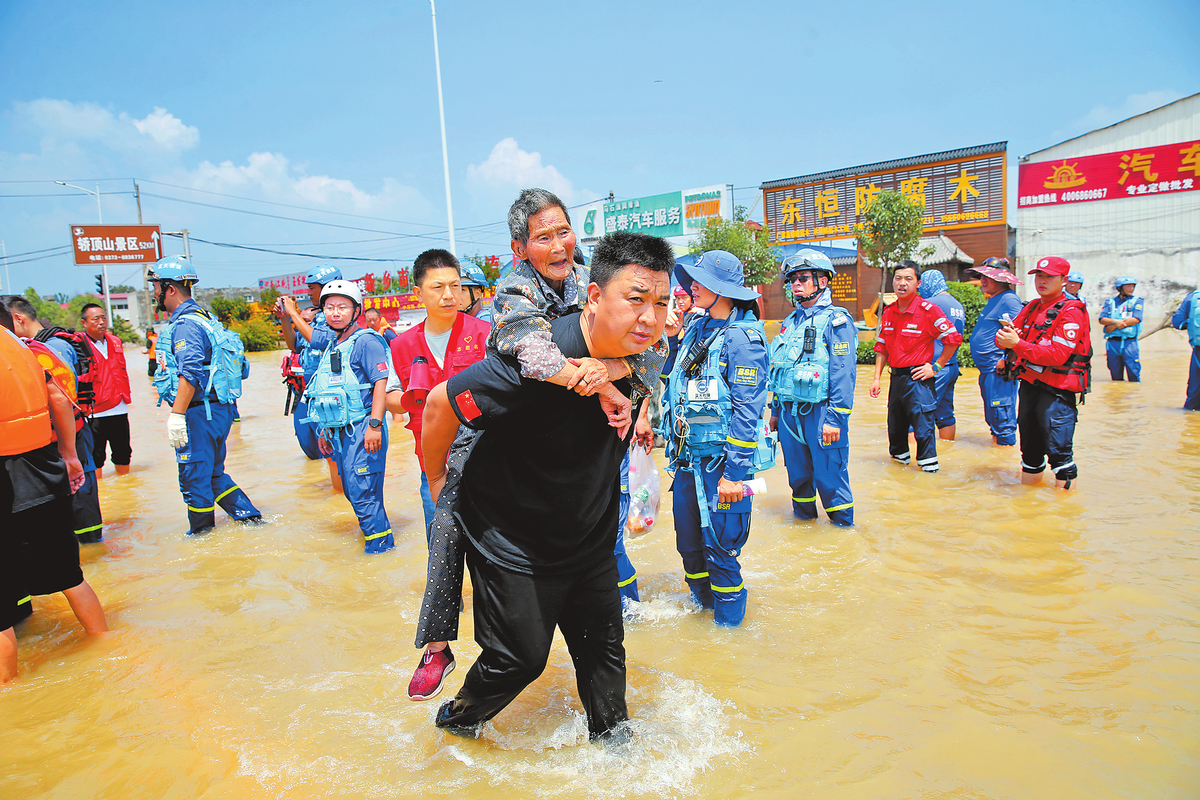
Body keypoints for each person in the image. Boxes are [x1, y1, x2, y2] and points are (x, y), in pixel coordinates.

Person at [407, 189, 663, 701]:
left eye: (563, 231)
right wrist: (601, 380)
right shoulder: (515, 293)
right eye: (542, 237)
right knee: (448, 522)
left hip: (574, 482)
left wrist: (614, 367)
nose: (557, 245)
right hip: (497, 426)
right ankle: (437, 642)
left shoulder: (598, 283)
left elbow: (652, 350)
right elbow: (537, 359)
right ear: (520, 248)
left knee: (603, 622)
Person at [662, 249, 771, 627]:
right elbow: (672, 381)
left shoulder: (742, 339)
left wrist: (734, 474)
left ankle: (729, 640)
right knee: (690, 551)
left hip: (722, 467)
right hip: (688, 463)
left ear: (722, 289)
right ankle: (703, 629)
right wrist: (674, 341)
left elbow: (747, 411)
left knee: (721, 553)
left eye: (700, 279)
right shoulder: (696, 326)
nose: (691, 286)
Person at [1, 311, 107, 682]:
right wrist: (70, 456)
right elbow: (60, 401)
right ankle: (107, 647)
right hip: (45, 472)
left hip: (6, 482)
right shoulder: (30, 351)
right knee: (70, 577)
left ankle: (11, 699)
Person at [149, 255, 262, 534]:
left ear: (170, 289)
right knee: (213, 475)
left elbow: (190, 372)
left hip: (199, 413)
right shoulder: (206, 318)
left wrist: (176, 416)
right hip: (219, 410)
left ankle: (202, 539)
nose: (154, 293)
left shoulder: (186, 325)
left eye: (156, 287)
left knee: (193, 479)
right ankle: (252, 521)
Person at [388, 249, 490, 534]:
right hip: (434, 468)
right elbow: (390, 397)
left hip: (487, 463)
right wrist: (413, 399)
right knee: (440, 553)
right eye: (438, 287)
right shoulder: (401, 345)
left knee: (493, 557)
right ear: (418, 292)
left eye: (455, 286)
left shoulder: (484, 333)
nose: (449, 295)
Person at [2, 295, 105, 542]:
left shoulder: (39, 349)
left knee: (78, 500)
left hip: (63, 435)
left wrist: (67, 452)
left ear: (17, 318)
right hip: (71, 430)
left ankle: (90, 551)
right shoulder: (49, 345)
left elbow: (59, 398)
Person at [303, 280, 394, 554]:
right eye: (329, 307)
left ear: (356, 311)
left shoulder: (366, 341)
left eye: (342, 307)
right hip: (339, 432)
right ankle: (377, 544)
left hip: (364, 427)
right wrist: (323, 431)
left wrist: (375, 426)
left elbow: (381, 382)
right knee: (353, 491)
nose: (335, 312)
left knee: (364, 494)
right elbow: (327, 389)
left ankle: (380, 550)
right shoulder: (334, 343)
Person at [768, 250, 856, 526]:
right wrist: (774, 410)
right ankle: (804, 527)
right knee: (798, 478)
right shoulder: (790, 323)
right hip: (788, 414)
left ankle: (842, 534)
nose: (795, 284)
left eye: (803, 278)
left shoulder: (837, 321)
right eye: (792, 279)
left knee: (831, 477)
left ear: (823, 281)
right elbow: (780, 369)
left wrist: (836, 419)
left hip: (821, 415)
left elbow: (844, 374)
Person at [995, 256, 1092, 489]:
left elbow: (1058, 354)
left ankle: (1064, 513)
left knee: (1059, 454)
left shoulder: (1071, 312)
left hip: (1057, 392)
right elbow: (1009, 339)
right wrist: (1005, 341)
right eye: (1039, 276)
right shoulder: (1031, 307)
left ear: (1064, 280)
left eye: (1049, 277)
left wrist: (1016, 344)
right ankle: (1028, 508)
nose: (1042, 281)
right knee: (1029, 451)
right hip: (1030, 386)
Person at [869, 261, 962, 473]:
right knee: (895, 431)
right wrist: (876, 378)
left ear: (918, 283)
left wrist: (936, 367)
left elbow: (953, 339)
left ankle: (929, 478)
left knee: (924, 432)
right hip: (896, 381)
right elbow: (882, 346)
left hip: (919, 381)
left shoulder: (928, 310)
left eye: (908, 279)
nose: (902, 283)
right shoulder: (889, 311)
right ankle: (899, 479)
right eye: (898, 278)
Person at [275, 265, 345, 492]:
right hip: (309, 395)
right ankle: (333, 493)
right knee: (314, 449)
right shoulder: (314, 320)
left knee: (334, 453)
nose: (308, 293)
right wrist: (285, 318)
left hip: (331, 396)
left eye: (312, 288)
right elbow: (295, 345)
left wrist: (294, 313)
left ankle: (340, 497)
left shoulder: (336, 319)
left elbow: (317, 341)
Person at [966, 258, 1025, 446]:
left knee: (1003, 418)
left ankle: (1004, 461)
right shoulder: (995, 299)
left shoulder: (1009, 299)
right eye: (982, 276)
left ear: (1002, 279)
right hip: (987, 370)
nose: (983, 280)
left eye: (989, 277)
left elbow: (1020, 332)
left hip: (998, 369)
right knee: (993, 416)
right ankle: (996, 453)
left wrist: (1006, 359)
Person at [81, 303, 132, 477]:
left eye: (104, 318)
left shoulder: (115, 341)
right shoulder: (79, 344)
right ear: (84, 323)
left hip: (119, 405)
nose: (101, 322)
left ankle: (125, 487)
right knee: (96, 455)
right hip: (96, 410)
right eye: (96, 319)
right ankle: (100, 492)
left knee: (123, 452)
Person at [918, 269, 966, 440]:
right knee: (945, 413)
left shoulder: (929, 304)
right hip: (951, 366)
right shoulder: (957, 305)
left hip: (933, 367)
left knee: (917, 415)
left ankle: (914, 460)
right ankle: (948, 447)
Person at [1099, 276, 1144, 382]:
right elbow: (1102, 319)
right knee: (1115, 377)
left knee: (1134, 375)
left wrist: (1115, 325)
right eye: (1128, 286)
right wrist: (1114, 322)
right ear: (1120, 288)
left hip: (1129, 342)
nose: (1131, 288)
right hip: (1113, 342)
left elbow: (1136, 319)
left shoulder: (1137, 301)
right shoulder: (1109, 302)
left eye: (1133, 286)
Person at [1170, 289, 1200, 410]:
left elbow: (1177, 322)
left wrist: (1191, 322)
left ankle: (1189, 423)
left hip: (1198, 351)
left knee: (1194, 392)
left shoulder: (1193, 297)